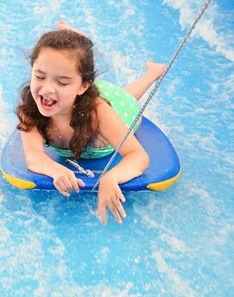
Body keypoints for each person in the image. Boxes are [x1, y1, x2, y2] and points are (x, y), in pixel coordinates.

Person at [15, 21, 167, 225]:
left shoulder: (97, 112)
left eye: (62, 82)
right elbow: (33, 157)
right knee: (77, 69)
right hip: (75, 98)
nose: (47, 89)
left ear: (84, 86)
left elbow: (138, 156)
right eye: (39, 76)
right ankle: (79, 43)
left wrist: (111, 178)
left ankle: (151, 74)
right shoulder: (30, 110)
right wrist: (56, 170)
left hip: (118, 110)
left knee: (126, 97)